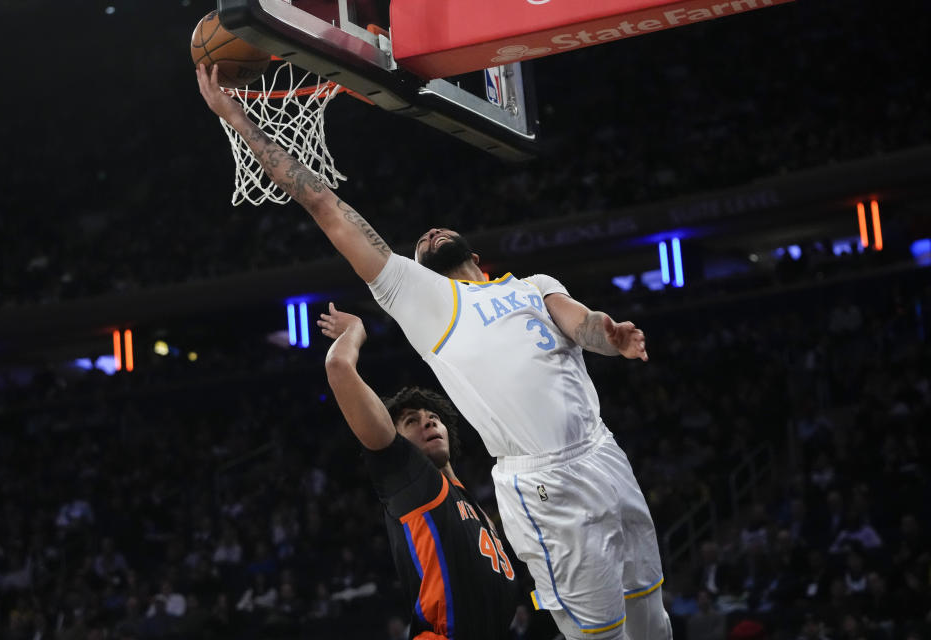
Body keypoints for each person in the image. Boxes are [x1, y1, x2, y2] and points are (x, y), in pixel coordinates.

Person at [197, 63, 669, 640]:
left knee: (652, 613)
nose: (428, 235)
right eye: (418, 242)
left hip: (603, 450)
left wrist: (609, 336)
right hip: (544, 479)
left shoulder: (532, 285)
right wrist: (239, 119)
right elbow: (324, 205)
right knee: (601, 635)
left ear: (477, 255)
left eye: (437, 232)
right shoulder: (425, 300)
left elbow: (582, 323)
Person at [318, 303, 518, 639]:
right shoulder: (410, 476)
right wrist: (356, 331)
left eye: (433, 417)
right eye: (412, 420)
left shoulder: (470, 502)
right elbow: (338, 366)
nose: (427, 421)